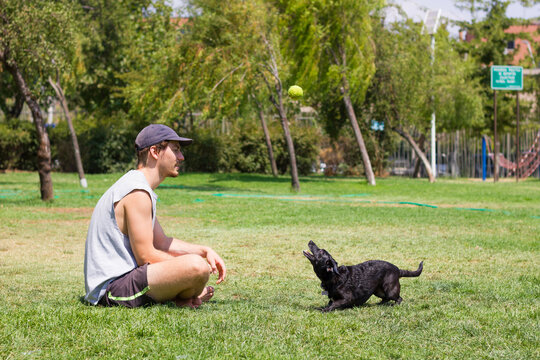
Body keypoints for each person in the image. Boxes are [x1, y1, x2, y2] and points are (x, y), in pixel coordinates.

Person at [84, 124, 226, 308]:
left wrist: (204, 251)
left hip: (126, 281)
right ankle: (184, 295)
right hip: (112, 290)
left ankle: (182, 297)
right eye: (175, 150)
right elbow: (146, 255)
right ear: (155, 151)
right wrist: (189, 269)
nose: (181, 157)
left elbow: (161, 242)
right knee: (196, 268)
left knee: (195, 265)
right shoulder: (137, 192)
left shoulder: (139, 187)